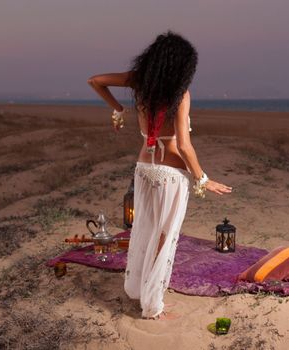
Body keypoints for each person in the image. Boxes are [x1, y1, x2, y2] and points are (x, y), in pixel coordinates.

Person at [87, 31, 232, 320]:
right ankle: (152, 304)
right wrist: (203, 179)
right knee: (163, 237)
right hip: (170, 174)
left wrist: (116, 109)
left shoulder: (139, 82)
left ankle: (137, 289)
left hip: (144, 170)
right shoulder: (180, 95)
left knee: (144, 229)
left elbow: (96, 81)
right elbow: (185, 146)